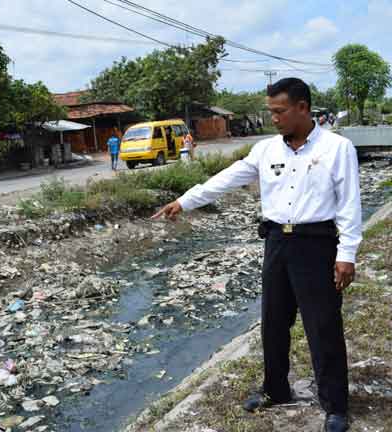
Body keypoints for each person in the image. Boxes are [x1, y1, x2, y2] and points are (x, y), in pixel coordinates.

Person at [152, 78, 360, 432]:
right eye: (271, 112)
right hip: (277, 242)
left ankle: (335, 404)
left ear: (303, 108)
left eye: (279, 112)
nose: (273, 119)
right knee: (274, 322)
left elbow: (350, 205)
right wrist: (184, 201)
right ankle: (275, 390)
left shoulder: (337, 149)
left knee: (323, 326)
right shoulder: (266, 151)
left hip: (317, 244)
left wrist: (347, 254)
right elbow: (226, 179)